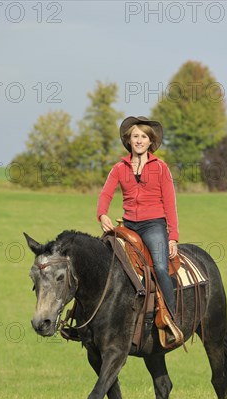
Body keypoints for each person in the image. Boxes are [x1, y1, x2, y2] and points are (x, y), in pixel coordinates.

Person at [97, 115, 183, 343]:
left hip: (154, 224)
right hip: (128, 225)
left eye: (143, 136)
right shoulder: (119, 167)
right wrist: (102, 214)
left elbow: (170, 203)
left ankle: (171, 319)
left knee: (161, 267)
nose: (139, 140)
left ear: (150, 141)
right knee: (107, 265)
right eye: (135, 136)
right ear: (129, 140)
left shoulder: (161, 167)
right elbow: (106, 193)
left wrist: (172, 236)